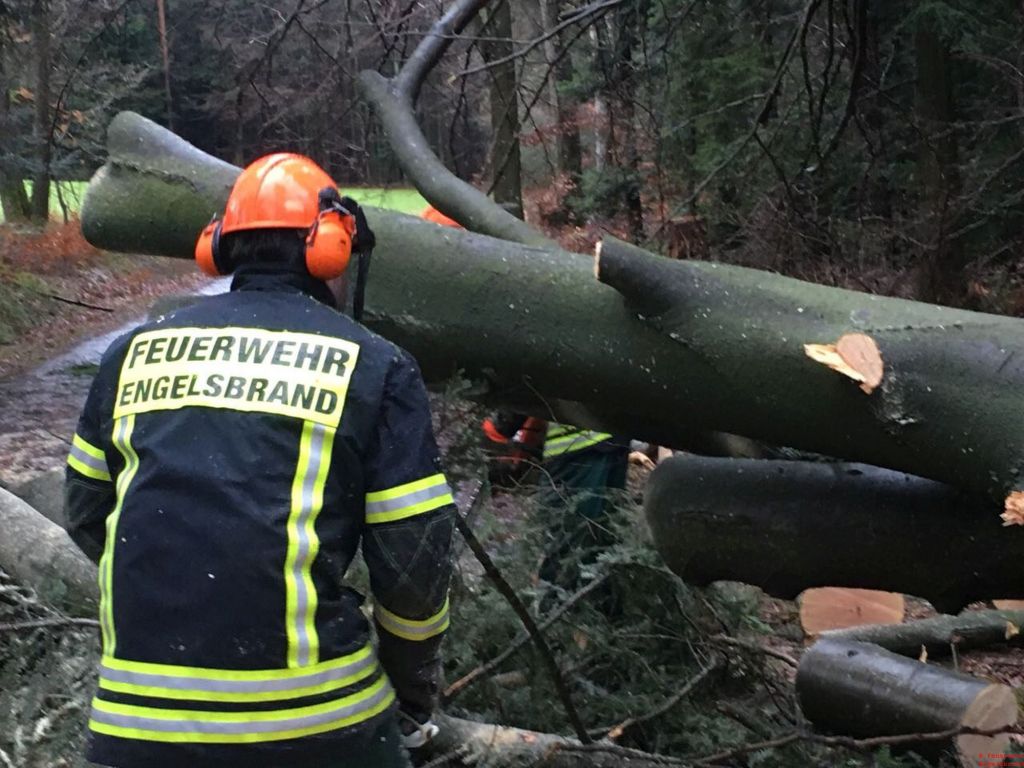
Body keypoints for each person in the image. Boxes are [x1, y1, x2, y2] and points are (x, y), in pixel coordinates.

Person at [64, 154, 454, 768]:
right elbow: (414, 568)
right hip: (317, 722)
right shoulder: (374, 365)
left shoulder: (130, 354)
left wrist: (182, 584)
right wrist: (413, 694)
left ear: (219, 246)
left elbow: (88, 515)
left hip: (131, 722)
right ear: (330, 248)